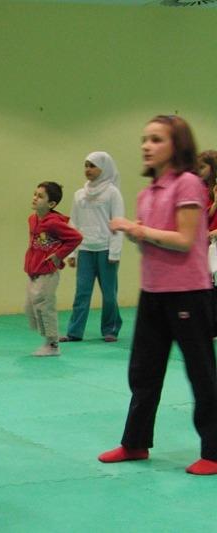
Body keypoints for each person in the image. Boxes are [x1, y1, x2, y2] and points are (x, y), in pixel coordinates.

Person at [99, 115, 217, 476]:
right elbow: (153, 242)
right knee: (143, 372)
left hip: (188, 294)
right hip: (153, 292)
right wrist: (138, 234)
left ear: (176, 145)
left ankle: (214, 451)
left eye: (156, 139)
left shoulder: (188, 184)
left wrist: (138, 230)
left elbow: (184, 240)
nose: (146, 146)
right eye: (144, 139)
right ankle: (135, 443)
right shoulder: (147, 193)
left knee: (201, 374)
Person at [60, 152, 125, 343]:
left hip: (106, 250)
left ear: (104, 168)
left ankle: (110, 329)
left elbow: (118, 222)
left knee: (109, 294)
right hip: (85, 250)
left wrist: (115, 252)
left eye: (92, 165)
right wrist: (72, 252)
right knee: (82, 292)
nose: (87, 169)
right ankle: (74, 332)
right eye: (86, 165)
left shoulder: (113, 192)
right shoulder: (79, 195)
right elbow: (74, 223)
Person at [24, 181, 82, 357]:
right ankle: (47, 338)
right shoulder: (32, 219)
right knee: (30, 307)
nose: (35, 198)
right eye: (35, 194)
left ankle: (52, 344)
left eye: (40, 196)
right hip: (34, 270)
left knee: (45, 307)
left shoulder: (53, 223)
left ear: (51, 204)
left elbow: (76, 238)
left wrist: (58, 255)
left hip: (48, 272)